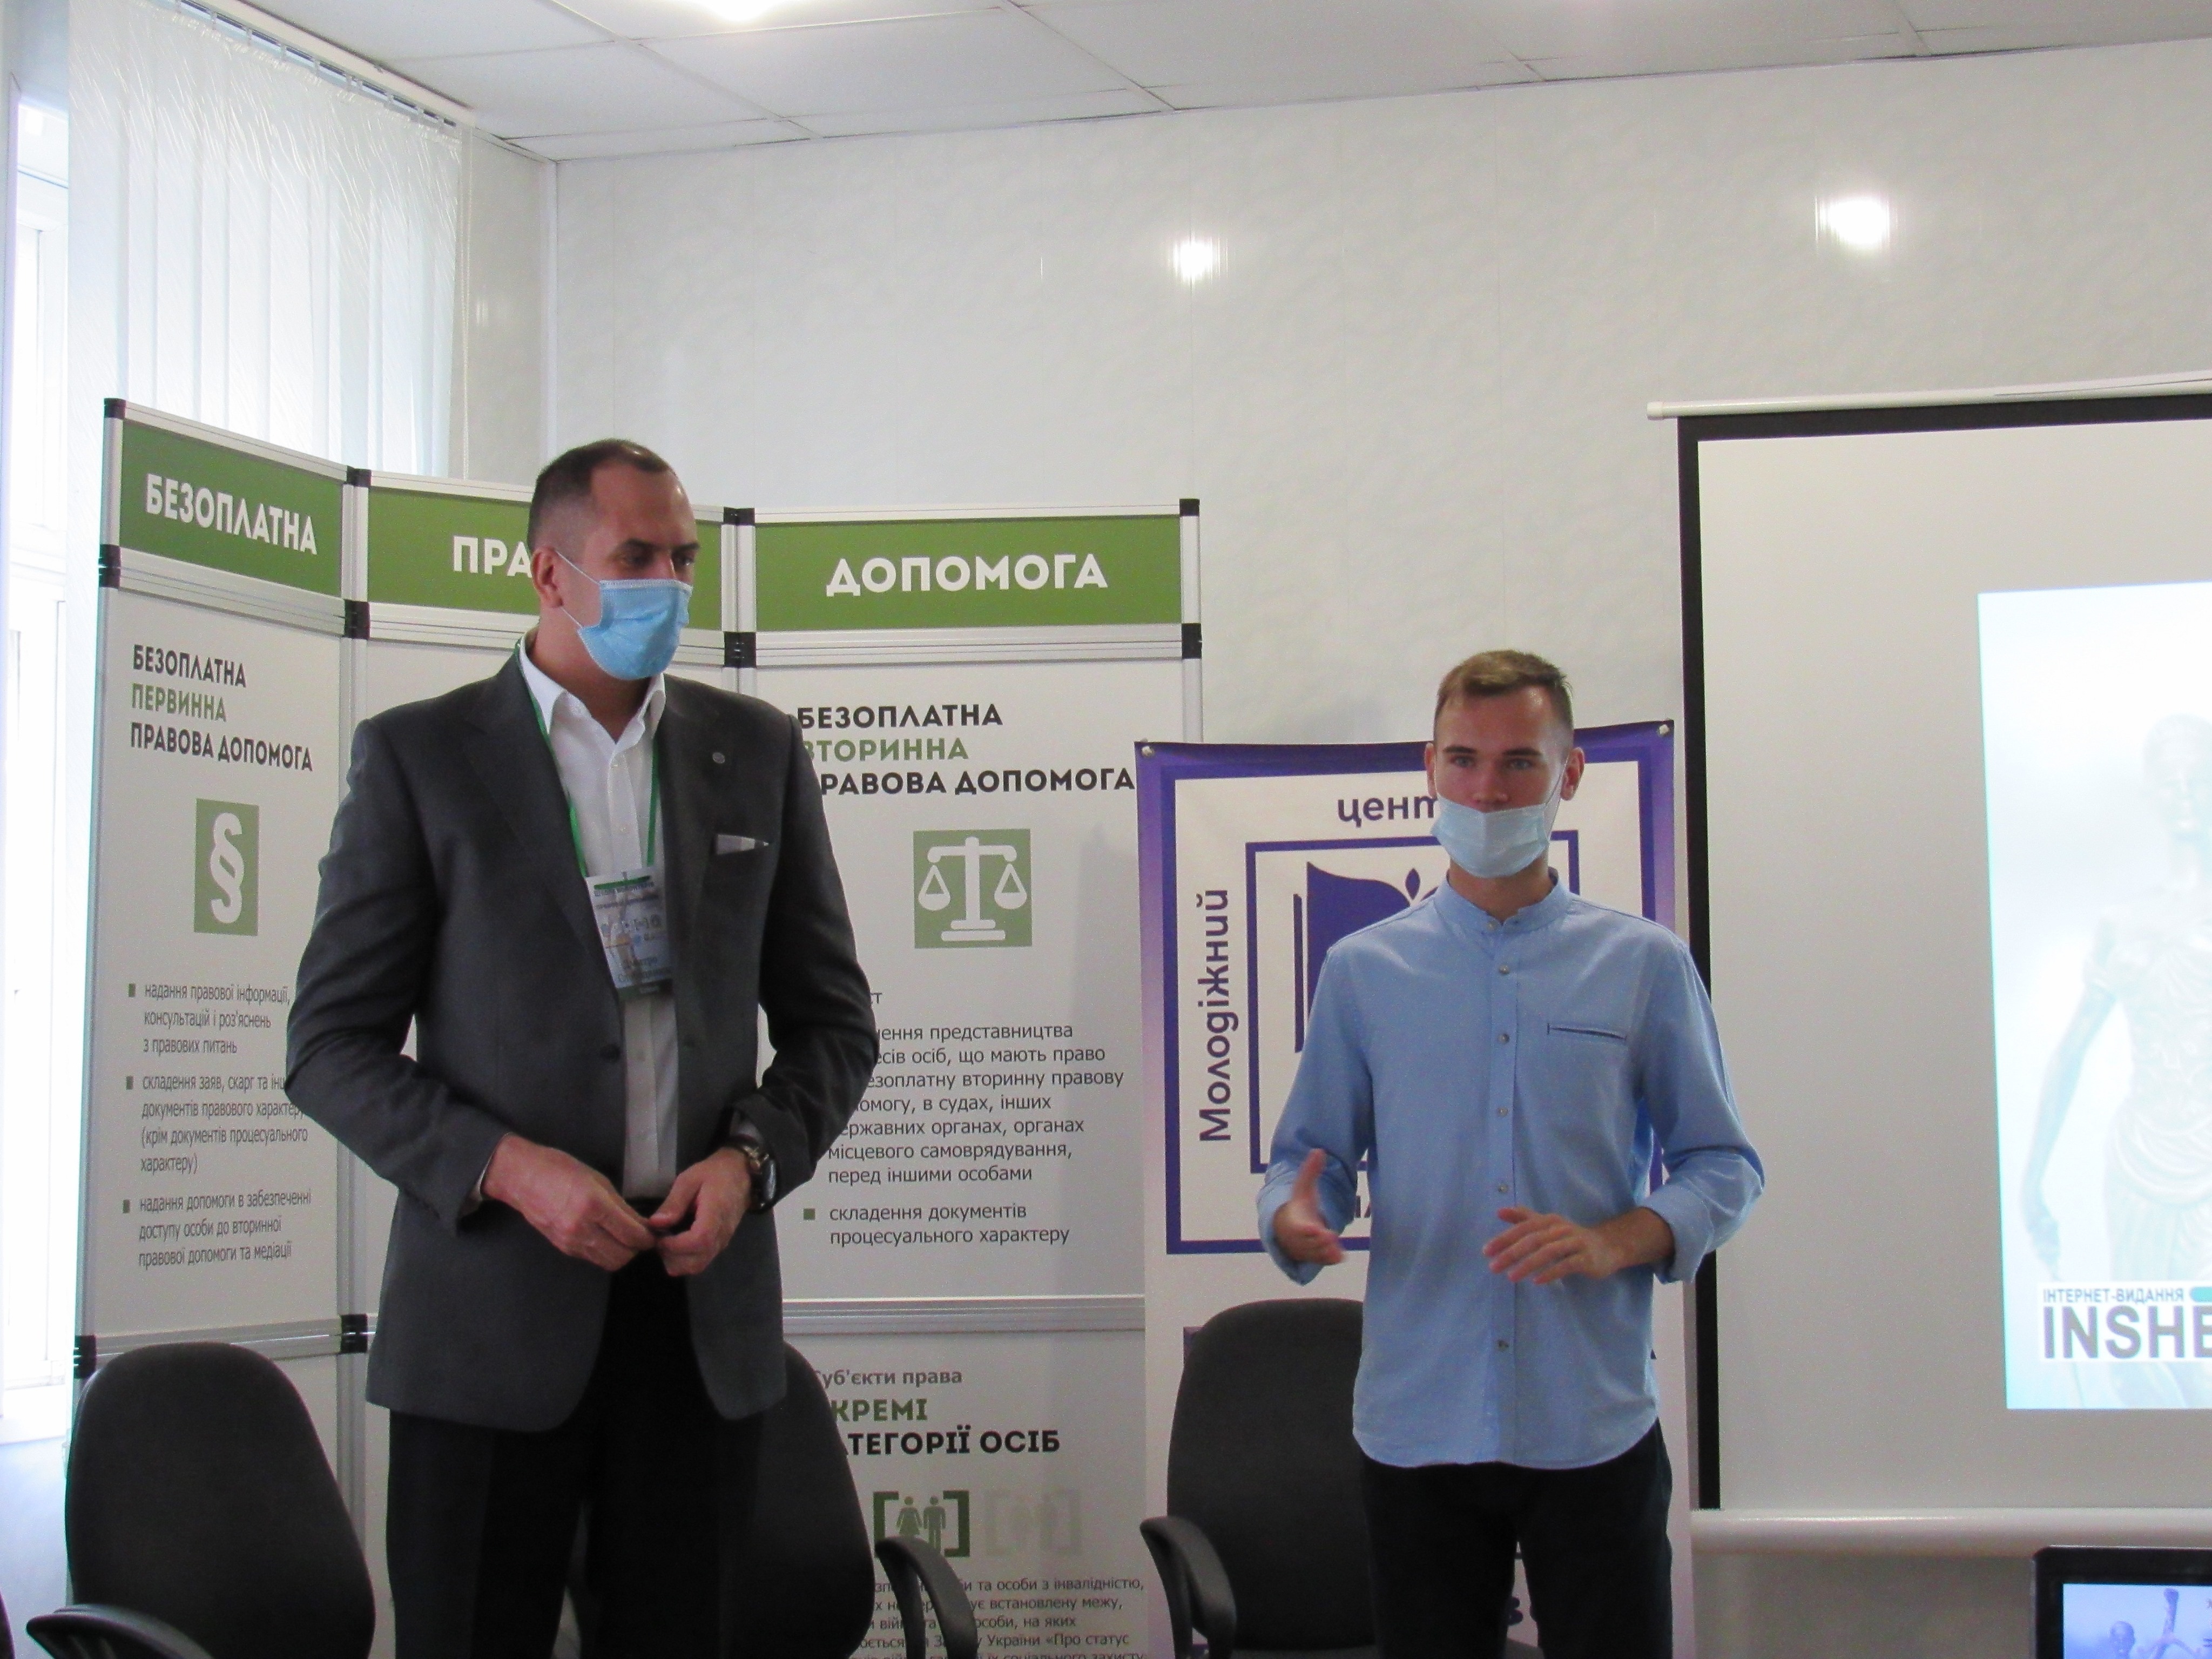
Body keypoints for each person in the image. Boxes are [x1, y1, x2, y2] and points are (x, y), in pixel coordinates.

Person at [288, 439, 875, 1659]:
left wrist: (752, 1162)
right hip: (490, 1320)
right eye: (637, 556)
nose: (669, 583)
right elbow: (330, 1045)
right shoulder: (420, 758)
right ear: (550, 572)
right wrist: (509, 1168)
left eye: (684, 559)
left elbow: (834, 1024)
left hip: (695, 1317)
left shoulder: (757, 753)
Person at [1258, 649, 1763, 1659]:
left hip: (1591, 1418)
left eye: (1520, 762)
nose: (1488, 790)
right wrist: (1296, 1217)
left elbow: (1723, 1165)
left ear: (1568, 773)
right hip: (1420, 1420)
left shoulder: (1644, 965)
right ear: (1430, 767)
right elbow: (1312, 1159)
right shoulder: (1363, 970)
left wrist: (1617, 1239)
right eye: (1465, 760)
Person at [2020, 714, 2212, 1404]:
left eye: (2196, 777)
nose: (2183, 793)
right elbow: (2069, 1052)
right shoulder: (2125, 922)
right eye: (2169, 781)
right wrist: (2032, 1179)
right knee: (2139, 1360)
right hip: (2139, 1161)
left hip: (2206, 1162)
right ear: (2150, 792)